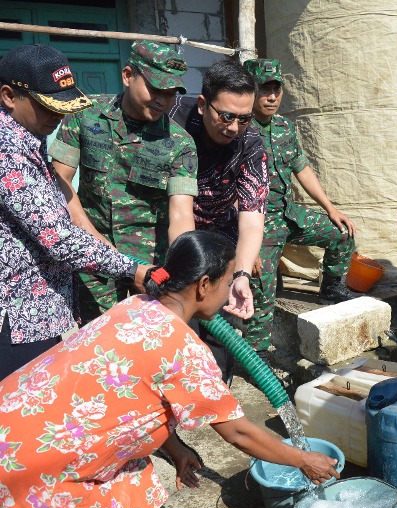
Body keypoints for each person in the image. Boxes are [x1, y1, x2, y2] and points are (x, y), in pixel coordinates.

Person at [0, 230, 339, 508]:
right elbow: (237, 431)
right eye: (228, 281)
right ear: (204, 285)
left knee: (136, 478)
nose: (229, 293)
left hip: (17, 421)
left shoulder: (134, 305)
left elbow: (132, 400)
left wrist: (175, 449)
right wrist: (302, 459)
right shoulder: (184, 350)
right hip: (33, 464)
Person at [0, 44, 148, 380]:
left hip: (41, 313)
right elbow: (58, 238)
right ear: (9, 96)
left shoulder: (28, 137)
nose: (59, 116)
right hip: (19, 319)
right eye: (47, 106)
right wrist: (134, 270)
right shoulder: (6, 151)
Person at [50, 40, 197, 323]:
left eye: (170, 93)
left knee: (149, 342)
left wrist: (178, 271)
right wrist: (96, 243)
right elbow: (60, 183)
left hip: (152, 267)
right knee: (95, 342)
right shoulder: (84, 116)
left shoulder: (181, 144)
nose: (163, 101)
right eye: (155, 89)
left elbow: (181, 215)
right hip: (93, 259)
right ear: (128, 76)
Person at [241, 59, 357, 355]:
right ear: (250, 91)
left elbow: (301, 168)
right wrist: (244, 247)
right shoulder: (237, 129)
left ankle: (331, 288)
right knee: (260, 292)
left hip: (287, 215)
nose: (272, 96)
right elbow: (230, 190)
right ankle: (256, 354)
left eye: (276, 89)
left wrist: (331, 208)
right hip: (258, 226)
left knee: (342, 233)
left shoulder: (284, 127)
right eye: (264, 89)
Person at [168, 59, 268, 381]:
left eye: (245, 118)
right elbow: (180, 211)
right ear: (202, 104)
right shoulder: (172, 123)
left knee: (221, 321)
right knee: (177, 317)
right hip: (172, 231)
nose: (235, 128)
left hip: (220, 232)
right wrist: (186, 270)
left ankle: (215, 388)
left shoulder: (251, 144)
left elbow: (252, 217)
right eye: (226, 116)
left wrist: (240, 272)